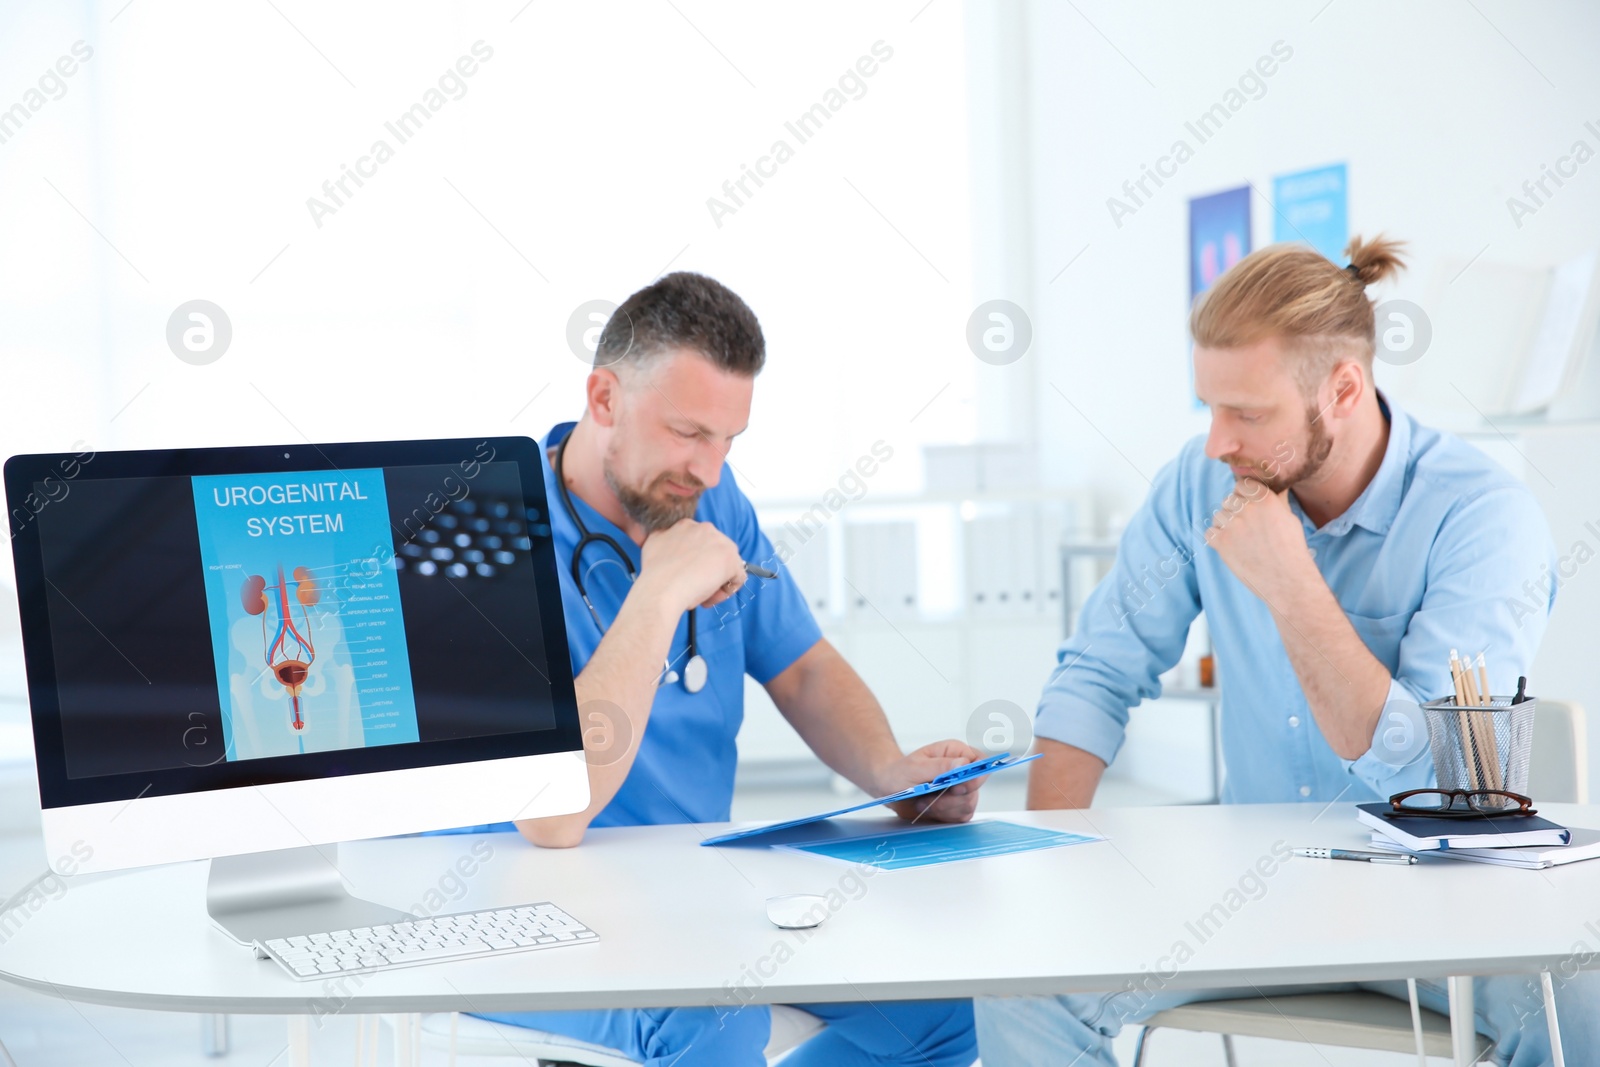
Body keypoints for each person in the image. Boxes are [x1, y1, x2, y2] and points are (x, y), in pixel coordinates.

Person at [973, 236, 1600, 1065]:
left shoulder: (1484, 517)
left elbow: (1441, 779)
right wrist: (1044, 870)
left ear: (1343, 388)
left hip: (1439, 899)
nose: (1215, 443)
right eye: (1209, 408)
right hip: (1253, 889)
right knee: (1021, 976)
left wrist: (1291, 582)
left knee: (1580, 1002)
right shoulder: (1198, 488)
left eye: (1247, 413)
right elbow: (1098, 670)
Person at [444, 272, 980, 1067]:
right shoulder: (480, 534)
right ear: (603, 399)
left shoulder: (708, 505)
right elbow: (551, 817)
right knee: (716, 1022)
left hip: (691, 889)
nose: (710, 468)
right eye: (689, 431)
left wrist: (893, 773)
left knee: (950, 1009)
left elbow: (801, 668)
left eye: (729, 440)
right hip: (524, 908)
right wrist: (659, 591)